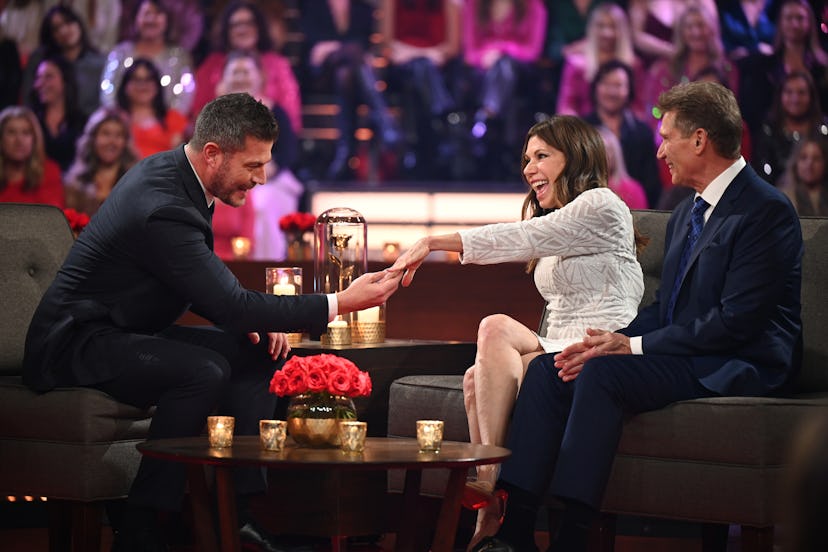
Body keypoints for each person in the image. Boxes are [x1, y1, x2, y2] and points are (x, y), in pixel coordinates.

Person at [21, 93, 400, 552]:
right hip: (75, 341)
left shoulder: (181, 177)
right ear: (213, 154)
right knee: (201, 369)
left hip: (126, 329)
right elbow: (231, 303)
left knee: (256, 351)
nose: (261, 179)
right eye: (253, 166)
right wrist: (340, 302)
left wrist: (240, 317)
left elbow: (200, 284)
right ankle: (143, 525)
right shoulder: (164, 204)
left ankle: (240, 515)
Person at [467, 80, 803, 552]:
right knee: (553, 368)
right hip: (690, 351)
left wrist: (633, 346)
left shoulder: (765, 210)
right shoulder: (688, 212)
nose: (660, 149)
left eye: (667, 137)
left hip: (741, 361)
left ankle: (572, 538)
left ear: (700, 140)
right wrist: (608, 338)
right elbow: (666, 309)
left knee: (604, 375)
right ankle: (517, 531)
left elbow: (737, 323)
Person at [390, 115, 645, 550]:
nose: (529, 169)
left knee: (479, 369)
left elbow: (521, 237)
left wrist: (435, 241)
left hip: (600, 342)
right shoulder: (561, 217)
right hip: (555, 341)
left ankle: (490, 496)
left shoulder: (603, 204)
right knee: (488, 345)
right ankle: (495, 497)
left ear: (576, 158)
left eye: (542, 156)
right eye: (527, 158)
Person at [192, 2, 302, 133]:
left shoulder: (277, 64)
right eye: (235, 25)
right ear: (227, 30)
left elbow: (291, 117)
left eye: (249, 23)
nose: (242, 29)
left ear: (259, 27)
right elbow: (196, 115)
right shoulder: (211, 65)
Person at [584, 60, 662, 208]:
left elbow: (652, 184)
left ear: (629, 90)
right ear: (596, 87)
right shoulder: (581, 130)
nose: (612, 92)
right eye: (606, 84)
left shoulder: (642, 132)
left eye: (618, 85)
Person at [100, 0, 195, 116]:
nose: (151, 19)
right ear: (135, 19)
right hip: (122, 126)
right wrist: (119, 119)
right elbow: (108, 93)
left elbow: (184, 98)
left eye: (157, 14)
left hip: (166, 127)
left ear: (167, 20)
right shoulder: (121, 52)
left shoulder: (179, 56)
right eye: (146, 14)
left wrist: (170, 125)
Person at [20, 5, 106, 120]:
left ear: (78, 24)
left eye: (68, 23)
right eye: (56, 28)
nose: (64, 31)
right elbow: (28, 99)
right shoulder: (41, 61)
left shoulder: (100, 63)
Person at [64, 106, 139, 216]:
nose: (112, 142)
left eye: (118, 135)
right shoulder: (75, 183)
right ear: (93, 138)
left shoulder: (135, 182)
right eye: (105, 134)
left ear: (126, 142)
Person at [116, 58, 189, 159]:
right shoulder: (115, 118)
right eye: (136, 80)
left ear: (157, 86)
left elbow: (178, 158)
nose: (142, 85)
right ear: (125, 86)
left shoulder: (173, 118)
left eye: (148, 80)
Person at [0, 105, 63, 208]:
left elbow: (52, 218)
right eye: (11, 132)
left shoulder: (50, 171)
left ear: (34, 139)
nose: (19, 141)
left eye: (26, 133)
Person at [778, 135, 828, 215]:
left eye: (816, 158)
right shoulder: (784, 198)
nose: (809, 164)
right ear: (795, 163)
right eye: (803, 158)